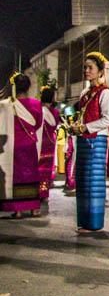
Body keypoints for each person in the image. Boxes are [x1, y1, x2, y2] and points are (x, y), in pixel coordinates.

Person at [69, 52, 109, 232]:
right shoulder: (85, 92)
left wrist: (86, 127)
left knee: (93, 181)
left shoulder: (104, 93)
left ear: (100, 71)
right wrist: (78, 126)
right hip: (83, 139)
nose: (86, 71)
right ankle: (84, 221)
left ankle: (94, 223)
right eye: (85, 67)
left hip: (97, 140)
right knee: (83, 182)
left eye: (90, 68)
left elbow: (108, 119)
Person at [0, 73, 44, 218]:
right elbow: (38, 124)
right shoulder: (37, 104)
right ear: (28, 87)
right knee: (31, 175)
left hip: (13, 146)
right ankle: (34, 209)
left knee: (17, 177)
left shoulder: (6, 104)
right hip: (30, 145)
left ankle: (18, 210)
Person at [37, 85, 60, 204]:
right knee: (46, 170)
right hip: (51, 142)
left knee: (37, 168)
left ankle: (36, 192)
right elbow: (55, 126)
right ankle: (44, 194)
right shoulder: (56, 113)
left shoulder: (39, 111)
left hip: (40, 142)